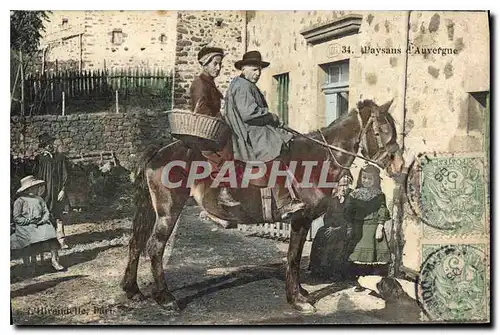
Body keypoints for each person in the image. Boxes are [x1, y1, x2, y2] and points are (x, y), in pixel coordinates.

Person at [223, 50, 305, 219]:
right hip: (249, 131)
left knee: (287, 141)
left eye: (259, 69)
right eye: (254, 69)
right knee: (273, 150)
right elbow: (248, 113)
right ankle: (283, 203)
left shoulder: (245, 85)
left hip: (255, 128)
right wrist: (270, 116)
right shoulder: (242, 86)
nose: (257, 73)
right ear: (243, 68)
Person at [189, 46, 240, 207]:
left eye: (220, 65)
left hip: (212, 126)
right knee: (226, 150)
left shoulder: (208, 83)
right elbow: (201, 110)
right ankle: (223, 190)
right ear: (205, 64)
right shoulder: (200, 84)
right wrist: (220, 119)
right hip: (205, 129)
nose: (218, 68)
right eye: (215, 64)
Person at [344, 165, 391, 291]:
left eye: (370, 179)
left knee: (374, 256)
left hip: (374, 227)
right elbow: (348, 211)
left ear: (375, 180)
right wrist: (350, 226)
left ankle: (375, 283)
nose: (366, 181)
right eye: (364, 178)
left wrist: (380, 226)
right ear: (360, 178)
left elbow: (382, 210)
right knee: (359, 256)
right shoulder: (354, 195)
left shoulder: (379, 195)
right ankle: (361, 282)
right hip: (359, 228)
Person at [11, 175, 66, 272]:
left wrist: (42, 220)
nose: (38, 189)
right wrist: (28, 221)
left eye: (37, 187)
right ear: (28, 189)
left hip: (41, 223)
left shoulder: (39, 199)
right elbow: (17, 217)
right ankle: (32, 263)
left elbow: (46, 212)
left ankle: (54, 260)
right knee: (31, 238)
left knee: (50, 234)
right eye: (35, 187)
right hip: (26, 225)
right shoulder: (20, 201)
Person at [308, 173, 353, 279]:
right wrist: (329, 227)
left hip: (345, 229)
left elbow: (351, 220)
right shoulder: (332, 200)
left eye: (345, 185)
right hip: (332, 227)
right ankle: (318, 269)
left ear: (349, 186)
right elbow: (327, 217)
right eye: (341, 185)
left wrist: (338, 229)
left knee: (337, 242)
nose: (343, 188)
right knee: (321, 233)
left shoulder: (351, 201)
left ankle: (334, 272)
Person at [34, 132, 70, 249]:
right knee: (46, 216)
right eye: (47, 144)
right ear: (43, 146)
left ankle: (61, 240)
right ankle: (47, 242)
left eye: (50, 143)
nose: (50, 145)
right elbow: (36, 177)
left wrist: (63, 190)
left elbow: (65, 175)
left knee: (59, 216)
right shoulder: (40, 159)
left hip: (57, 192)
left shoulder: (60, 158)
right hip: (45, 192)